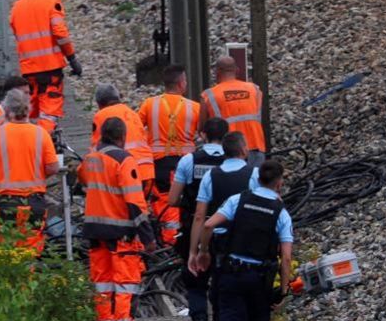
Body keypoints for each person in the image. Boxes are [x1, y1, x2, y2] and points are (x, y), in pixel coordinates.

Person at [194, 160, 294, 321]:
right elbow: (287, 256)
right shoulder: (280, 212)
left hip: (232, 275)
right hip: (261, 280)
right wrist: (283, 289)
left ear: (258, 177)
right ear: (279, 183)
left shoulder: (238, 200)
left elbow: (208, 224)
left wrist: (203, 251)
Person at [79, 116, 156, 321]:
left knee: (103, 289)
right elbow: (134, 202)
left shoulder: (90, 159)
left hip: (95, 234)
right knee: (125, 288)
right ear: (122, 137)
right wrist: (148, 238)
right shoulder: (124, 160)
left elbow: (81, 181)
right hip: (121, 236)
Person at [184, 131, 260, 321]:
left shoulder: (211, 176)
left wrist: (195, 250)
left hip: (218, 241)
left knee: (219, 292)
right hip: (245, 243)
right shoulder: (253, 175)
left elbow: (200, 216)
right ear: (244, 150)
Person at [166, 118, 227, 321]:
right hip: (225, 231)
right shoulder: (233, 162)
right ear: (226, 135)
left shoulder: (189, 160)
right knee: (223, 286)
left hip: (195, 226)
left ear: (201, 134)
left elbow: (171, 199)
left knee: (196, 282)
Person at [0, 88, 59, 256]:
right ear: (28, 109)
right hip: (34, 202)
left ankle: (10, 281)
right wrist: (37, 174)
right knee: (30, 251)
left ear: (7, 110)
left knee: (5, 250)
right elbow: (53, 167)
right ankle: (27, 280)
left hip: (5, 202)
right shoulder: (41, 134)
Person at [9, 0, 82, 133]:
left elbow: (17, 34)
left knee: (31, 111)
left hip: (28, 69)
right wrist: (72, 58)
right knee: (49, 111)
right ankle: (44, 145)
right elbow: (60, 33)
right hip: (50, 68)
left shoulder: (16, 7)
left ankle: (28, 142)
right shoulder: (51, 1)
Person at [138, 65, 199, 246]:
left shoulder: (149, 104)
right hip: (187, 162)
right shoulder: (194, 107)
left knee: (164, 200)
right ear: (181, 83)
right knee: (188, 199)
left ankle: (168, 241)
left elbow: (136, 127)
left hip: (159, 163)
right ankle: (183, 238)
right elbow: (205, 133)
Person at [198, 56, 266, 165]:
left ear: (217, 72)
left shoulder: (209, 95)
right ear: (237, 70)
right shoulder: (254, 89)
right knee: (254, 180)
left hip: (228, 150)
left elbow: (202, 129)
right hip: (255, 147)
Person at [90, 84, 154, 194]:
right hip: (147, 171)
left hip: (125, 172)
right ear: (118, 97)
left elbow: (96, 150)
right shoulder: (133, 114)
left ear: (99, 104)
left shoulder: (101, 116)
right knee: (139, 207)